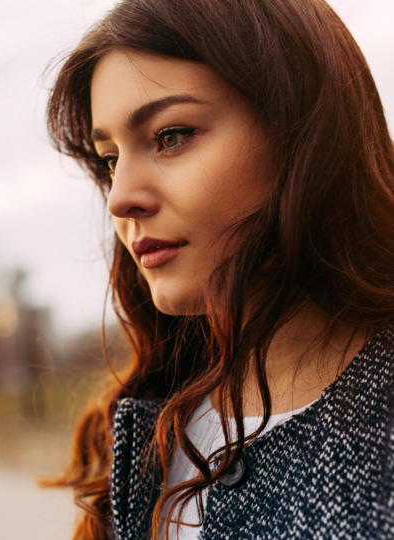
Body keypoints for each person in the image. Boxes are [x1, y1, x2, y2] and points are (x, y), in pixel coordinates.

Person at [45, 0, 394, 538]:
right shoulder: (149, 421)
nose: (119, 199)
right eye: (111, 159)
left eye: (170, 136)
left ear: (302, 132)